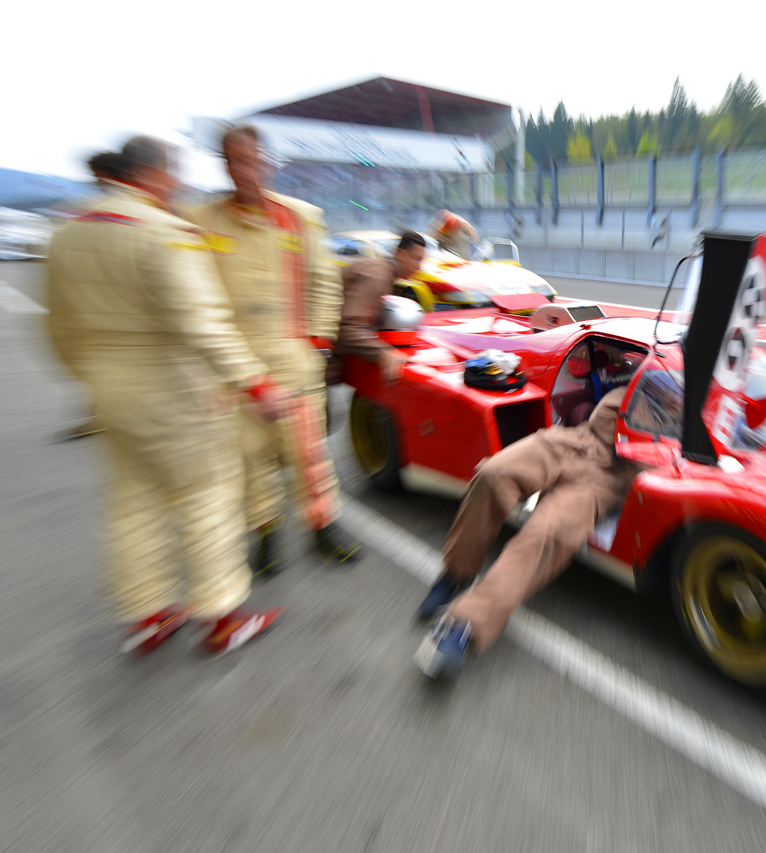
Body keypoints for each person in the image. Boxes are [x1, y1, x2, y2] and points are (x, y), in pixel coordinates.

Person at [45, 135, 288, 655]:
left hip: (110, 388)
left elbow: (59, 328)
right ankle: (223, 616)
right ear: (154, 174)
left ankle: (147, 613)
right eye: (172, 174)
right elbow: (203, 323)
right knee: (208, 497)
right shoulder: (165, 231)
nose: (176, 184)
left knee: (133, 502)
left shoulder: (67, 233)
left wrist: (90, 377)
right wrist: (255, 381)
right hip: (174, 388)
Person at [188, 125, 360, 578]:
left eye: (252, 160)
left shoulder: (300, 217)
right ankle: (265, 534)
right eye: (234, 162)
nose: (245, 171)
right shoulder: (202, 221)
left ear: (266, 163)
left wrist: (318, 343)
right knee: (249, 456)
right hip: (234, 366)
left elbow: (325, 283)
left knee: (310, 454)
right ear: (224, 166)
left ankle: (324, 529)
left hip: (293, 360)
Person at [414, 384, 643, 679]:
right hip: (576, 441)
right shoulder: (655, 370)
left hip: (608, 479)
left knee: (545, 534)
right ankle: (456, 572)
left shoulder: (706, 418)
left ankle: (464, 624)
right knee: (493, 474)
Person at [62, 152, 129, 441]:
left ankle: (104, 415)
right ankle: (99, 414)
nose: (94, 179)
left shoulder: (122, 206)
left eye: (96, 173)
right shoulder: (98, 206)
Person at [331, 229, 427, 386]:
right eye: (416, 259)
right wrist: (384, 353)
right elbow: (348, 328)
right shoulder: (379, 277)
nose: (419, 267)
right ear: (401, 254)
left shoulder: (384, 272)